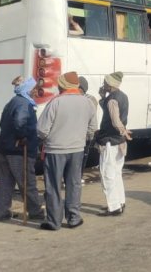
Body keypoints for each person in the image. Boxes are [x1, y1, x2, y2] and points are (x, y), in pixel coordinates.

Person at [37, 71, 98, 230]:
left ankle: (54, 222)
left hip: (55, 150)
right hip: (77, 149)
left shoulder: (56, 102)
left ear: (62, 85)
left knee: (53, 186)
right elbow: (92, 128)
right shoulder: (88, 103)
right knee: (74, 184)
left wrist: (49, 137)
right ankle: (74, 218)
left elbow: (42, 129)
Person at [0, 77, 45, 221]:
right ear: (28, 90)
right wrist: (23, 136)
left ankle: (0, 212)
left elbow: (2, 123)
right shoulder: (23, 103)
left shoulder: (13, 102)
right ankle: (35, 211)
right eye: (34, 88)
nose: (36, 91)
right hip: (19, 150)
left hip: (6, 148)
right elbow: (20, 122)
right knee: (27, 182)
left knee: (5, 182)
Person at [95, 71, 132, 217]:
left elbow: (115, 119)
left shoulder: (112, 100)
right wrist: (103, 97)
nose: (103, 85)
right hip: (119, 142)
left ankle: (114, 206)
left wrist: (123, 130)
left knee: (107, 174)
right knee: (117, 173)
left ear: (110, 84)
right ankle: (120, 201)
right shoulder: (123, 96)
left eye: (105, 82)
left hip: (110, 141)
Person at [79, 76, 99, 180]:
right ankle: (77, 177)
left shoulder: (88, 100)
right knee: (82, 156)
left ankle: (77, 177)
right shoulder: (91, 99)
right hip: (84, 134)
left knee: (81, 157)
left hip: (83, 134)